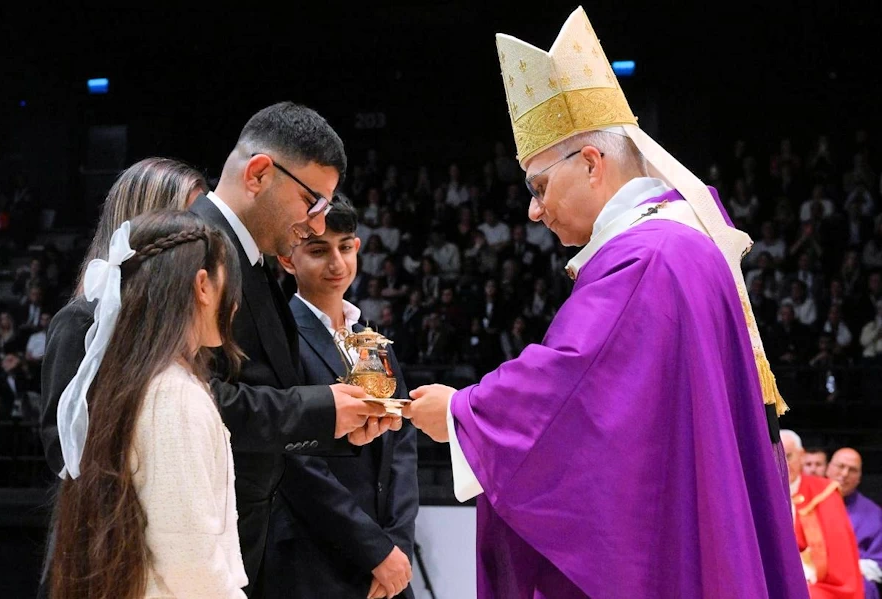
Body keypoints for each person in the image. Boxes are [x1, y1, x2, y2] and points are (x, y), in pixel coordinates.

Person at [404, 8, 805, 597]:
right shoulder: (680, 243)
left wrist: (465, 414)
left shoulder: (648, 257)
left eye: (538, 187)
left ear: (590, 163)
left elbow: (573, 382)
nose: (533, 212)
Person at [39, 155, 388, 598]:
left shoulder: (178, 370)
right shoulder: (150, 375)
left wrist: (330, 424)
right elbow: (72, 455)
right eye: (192, 223)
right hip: (118, 555)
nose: (205, 236)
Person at [186, 102, 399, 596]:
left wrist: (336, 423)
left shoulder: (246, 256)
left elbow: (264, 389)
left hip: (244, 531)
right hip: (210, 534)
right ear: (260, 173)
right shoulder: (193, 249)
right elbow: (187, 399)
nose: (318, 224)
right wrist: (322, 408)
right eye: (312, 202)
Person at [51, 211, 247, 598]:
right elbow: (191, 564)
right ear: (203, 285)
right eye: (231, 283)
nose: (236, 303)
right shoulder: (172, 394)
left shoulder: (138, 379)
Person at [266, 198, 418, 599]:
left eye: (345, 247)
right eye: (319, 250)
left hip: (388, 565)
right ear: (287, 258)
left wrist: (398, 544)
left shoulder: (370, 339)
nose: (336, 263)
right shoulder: (281, 339)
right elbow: (298, 464)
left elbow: (401, 445)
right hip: (316, 561)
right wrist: (374, 550)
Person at [782, 431, 863, 599]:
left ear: (801, 455)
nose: (782, 464)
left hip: (815, 581)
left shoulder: (825, 492)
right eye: (774, 457)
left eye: (788, 456)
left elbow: (838, 555)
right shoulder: (757, 492)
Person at [828, 448, 882, 599]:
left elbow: (878, 563)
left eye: (852, 470)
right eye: (840, 466)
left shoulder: (874, 513)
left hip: (855, 581)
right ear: (828, 468)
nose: (844, 474)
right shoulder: (807, 503)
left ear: (859, 477)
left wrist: (842, 568)